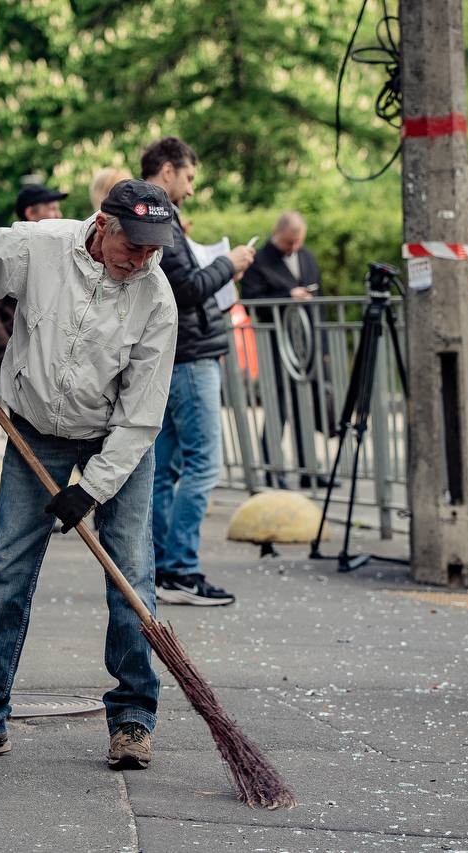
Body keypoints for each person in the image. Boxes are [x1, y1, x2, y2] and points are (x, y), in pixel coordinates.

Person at [0, 180, 178, 770]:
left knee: (131, 573)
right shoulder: (39, 247)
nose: (140, 260)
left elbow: (141, 418)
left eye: (152, 250)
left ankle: (134, 717)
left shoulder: (156, 298)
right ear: (103, 225)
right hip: (34, 427)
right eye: (132, 246)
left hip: (117, 441)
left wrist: (92, 489)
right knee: (8, 568)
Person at [140, 137, 253, 606]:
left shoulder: (145, 211)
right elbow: (186, 287)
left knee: (163, 469)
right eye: (187, 178)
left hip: (170, 356)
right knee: (203, 465)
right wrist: (230, 264)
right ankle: (181, 569)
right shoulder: (158, 211)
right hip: (189, 357)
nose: (189, 190)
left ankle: (164, 568)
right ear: (168, 171)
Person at [239, 211, 329, 488]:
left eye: (298, 243)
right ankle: (272, 469)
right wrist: (287, 296)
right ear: (278, 234)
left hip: (306, 345)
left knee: (305, 404)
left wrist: (323, 348)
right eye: (290, 242)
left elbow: (320, 302)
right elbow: (251, 300)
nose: (294, 248)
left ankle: (308, 469)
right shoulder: (258, 261)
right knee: (277, 408)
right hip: (275, 346)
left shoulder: (307, 257)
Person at [0, 183, 68, 364]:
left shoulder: (52, 250)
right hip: (25, 367)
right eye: (52, 208)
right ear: (31, 213)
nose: (59, 215)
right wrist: (10, 357)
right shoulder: (11, 254)